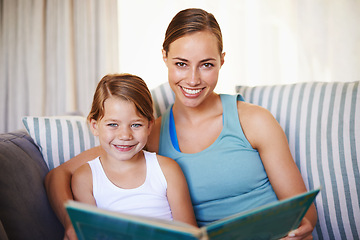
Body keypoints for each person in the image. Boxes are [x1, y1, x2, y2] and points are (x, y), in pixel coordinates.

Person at [45, 8, 317, 240]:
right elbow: (59, 175)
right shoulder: (147, 134)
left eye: (207, 64)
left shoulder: (254, 120)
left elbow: (304, 211)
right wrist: (70, 225)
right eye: (181, 64)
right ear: (164, 57)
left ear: (222, 60)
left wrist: (301, 227)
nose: (193, 79)